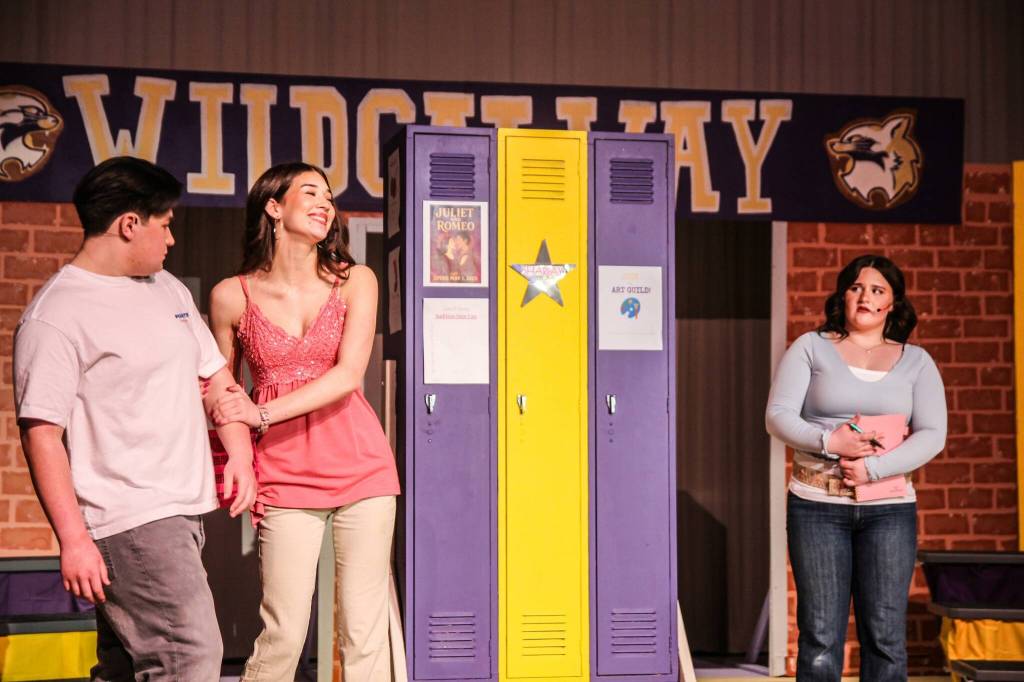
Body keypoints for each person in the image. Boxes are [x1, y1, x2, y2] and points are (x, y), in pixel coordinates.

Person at [13, 156, 257, 680]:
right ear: (129, 224)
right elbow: (42, 436)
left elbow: (215, 378)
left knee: (129, 664)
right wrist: (73, 539)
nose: (171, 240)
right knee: (190, 655)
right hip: (130, 517)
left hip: (182, 511)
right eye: (164, 225)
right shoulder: (57, 316)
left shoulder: (165, 288)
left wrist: (239, 451)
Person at [206, 162, 401, 681]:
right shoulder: (232, 295)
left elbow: (348, 375)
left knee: (363, 632)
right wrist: (240, 456)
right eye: (310, 192)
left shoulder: (356, 280)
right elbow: (221, 392)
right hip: (284, 474)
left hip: (362, 467)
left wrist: (260, 411)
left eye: (330, 197)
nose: (325, 204)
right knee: (284, 631)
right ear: (274, 207)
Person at [765, 254, 946, 681]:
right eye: (856, 287)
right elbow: (778, 416)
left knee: (884, 636)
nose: (865, 296)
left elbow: (933, 433)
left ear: (892, 304)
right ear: (842, 295)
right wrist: (830, 441)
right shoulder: (811, 347)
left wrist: (876, 468)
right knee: (821, 635)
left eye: (877, 290)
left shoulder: (916, 361)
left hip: (889, 510)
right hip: (816, 507)